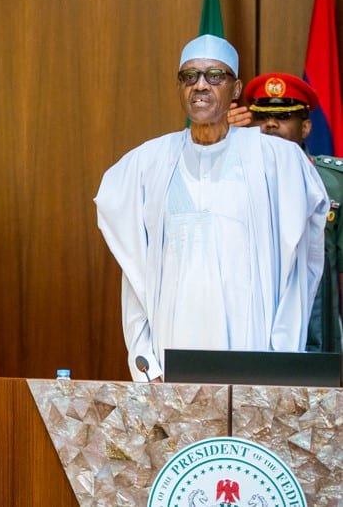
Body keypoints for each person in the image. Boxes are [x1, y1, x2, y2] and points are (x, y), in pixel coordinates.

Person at [95, 35, 328, 382]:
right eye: (189, 77)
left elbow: (300, 267)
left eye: (214, 75)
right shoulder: (148, 164)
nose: (200, 86)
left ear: (236, 89)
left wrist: (281, 360)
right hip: (172, 348)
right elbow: (135, 272)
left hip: (254, 352)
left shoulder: (276, 161)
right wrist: (147, 363)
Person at [242, 72, 343, 353]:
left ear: (306, 127)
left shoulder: (335, 182)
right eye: (261, 117)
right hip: (247, 333)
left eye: (284, 116)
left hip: (317, 334)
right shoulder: (232, 179)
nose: (271, 124)